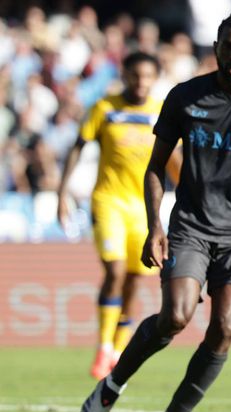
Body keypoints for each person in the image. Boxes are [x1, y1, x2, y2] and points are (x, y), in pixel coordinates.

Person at [79, 14, 231, 412]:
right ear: (215, 46)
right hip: (191, 226)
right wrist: (155, 225)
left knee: (225, 327)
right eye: (227, 46)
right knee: (175, 316)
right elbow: (155, 167)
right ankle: (111, 385)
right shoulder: (186, 97)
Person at [58, 52, 174, 380]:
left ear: (155, 78)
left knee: (135, 281)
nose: (141, 83)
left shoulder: (159, 112)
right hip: (108, 201)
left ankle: (118, 349)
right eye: (135, 76)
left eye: (148, 77)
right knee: (116, 269)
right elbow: (78, 147)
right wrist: (62, 193)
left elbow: (174, 159)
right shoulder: (105, 108)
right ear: (124, 75)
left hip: (144, 208)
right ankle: (103, 346)